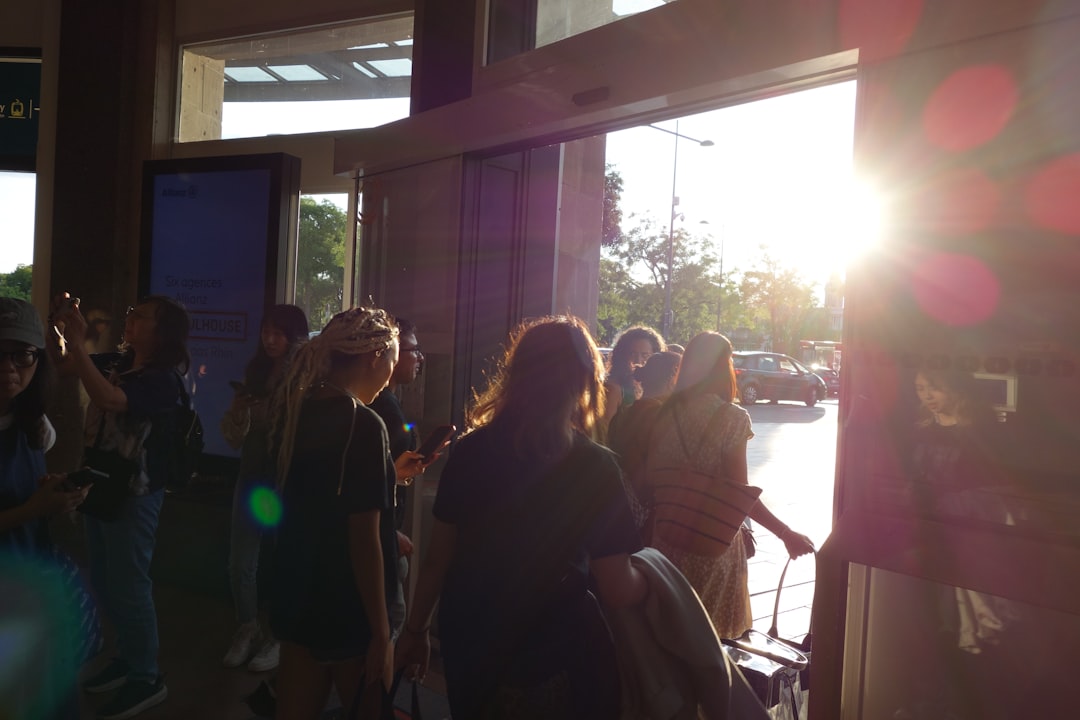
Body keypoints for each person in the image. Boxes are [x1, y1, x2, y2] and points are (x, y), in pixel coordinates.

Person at [396, 315, 648, 720]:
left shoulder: (472, 451)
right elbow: (617, 586)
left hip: (471, 639)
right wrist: (653, 580)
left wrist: (415, 630)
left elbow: (439, 558)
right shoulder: (594, 466)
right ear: (584, 380)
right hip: (553, 649)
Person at [268, 306, 425, 718]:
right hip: (349, 605)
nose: (392, 371)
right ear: (375, 357)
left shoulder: (298, 408)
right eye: (392, 358)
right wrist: (380, 632)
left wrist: (387, 475)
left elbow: (319, 495)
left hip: (300, 591)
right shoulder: (364, 422)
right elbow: (363, 537)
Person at [48, 294, 192, 719]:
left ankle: (147, 677)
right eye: (132, 313)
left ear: (162, 332)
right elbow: (64, 365)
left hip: (136, 492)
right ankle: (128, 660)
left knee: (130, 585)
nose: (131, 319)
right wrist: (65, 330)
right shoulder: (119, 361)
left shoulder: (164, 378)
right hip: (101, 482)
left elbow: (110, 399)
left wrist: (77, 343)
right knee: (109, 581)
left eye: (141, 316)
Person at [643, 331, 814, 638]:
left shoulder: (664, 414)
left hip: (667, 539)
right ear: (723, 366)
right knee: (713, 639)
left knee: (671, 636)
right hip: (711, 543)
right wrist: (785, 534)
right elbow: (740, 492)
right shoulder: (732, 418)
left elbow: (653, 475)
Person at [0, 297, 93, 719]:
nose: (9, 369)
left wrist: (53, 495)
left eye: (22, 355)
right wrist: (33, 509)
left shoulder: (33, 423)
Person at [220, 304, 309, 672]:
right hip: (252, 475)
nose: (270, 340)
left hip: (284, 478)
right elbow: (233, 437)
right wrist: (241, 409)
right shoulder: (255, 370)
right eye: (266, 332)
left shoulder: (304, 374)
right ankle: (248, 626)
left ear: (294, 336)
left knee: (281, 559)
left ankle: (277, 634)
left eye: (279, 333)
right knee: (241, 560)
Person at [367, 316, 434, 641]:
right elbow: (365, 484)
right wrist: (388, 533)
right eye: (413, 350)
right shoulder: (384, 410)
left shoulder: (377, 403)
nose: (420, 358)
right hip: (378, 543)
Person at [607, 350, 681, 529]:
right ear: (673, 377)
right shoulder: (661, 415)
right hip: (649, 507)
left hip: (626, 502)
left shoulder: (631, 410)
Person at [601, 325, 666, 436]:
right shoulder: (614, 389)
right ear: (622, 356)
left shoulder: (660, 387)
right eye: (632, 354)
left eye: (645, 355)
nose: (638, 360)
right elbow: (605, 433)